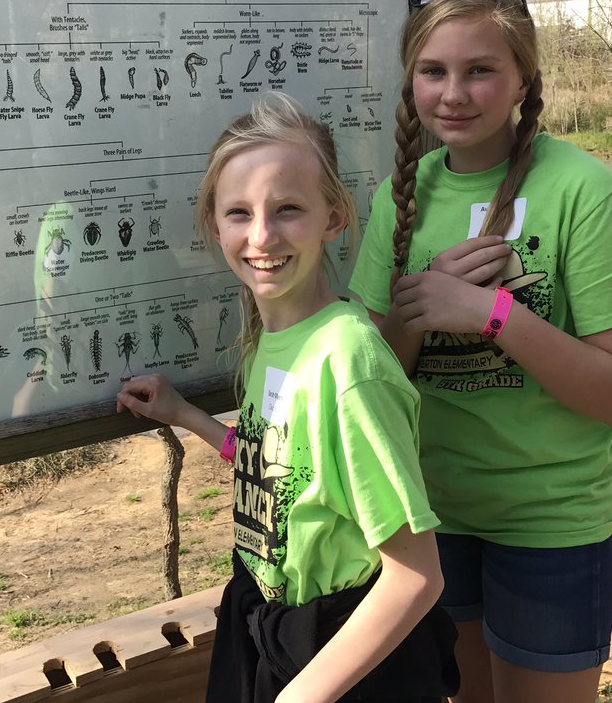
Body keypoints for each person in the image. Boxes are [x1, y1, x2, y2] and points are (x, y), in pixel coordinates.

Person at [348, 0, 612, 703]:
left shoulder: (584, 194)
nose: (453, 94)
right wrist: (419, 304)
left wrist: (493, 315)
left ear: (523, 77)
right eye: (433, 71)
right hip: (430, 514)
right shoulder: (402, 197)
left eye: (480, 70)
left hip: (551, 521)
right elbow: (376, 378)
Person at [116, 95, 459, 703]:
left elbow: (415, 576)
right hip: (269, 625)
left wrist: (303, 695)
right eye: (239, 212)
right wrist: (184, 414)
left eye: (288, 209)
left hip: (347, 654)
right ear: (214, 225)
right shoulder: (269, 343)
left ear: (334, 217)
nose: (261, 235)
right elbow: (283, 463)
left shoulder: (349, 361)